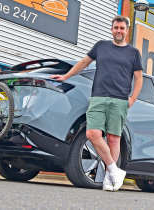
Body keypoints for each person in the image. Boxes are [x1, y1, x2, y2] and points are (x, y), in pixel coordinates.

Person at [50, 15, 143, 191]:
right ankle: (115, 170)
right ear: (112, 29)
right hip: (98, 97)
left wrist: (132, 99)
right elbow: (84, 63)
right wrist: (66, 76)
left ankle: (110, 179)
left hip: (119, 100)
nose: (118, 31)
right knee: (92, 133)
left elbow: (139, 79)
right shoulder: (101, 46)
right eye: (116, 27)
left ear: (126, 30)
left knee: (114, 139)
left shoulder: (133, 53)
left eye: (122, 28)